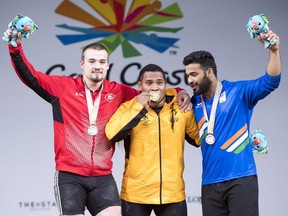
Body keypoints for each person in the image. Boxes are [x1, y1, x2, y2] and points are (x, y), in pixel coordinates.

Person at [3, 28, 192, 216]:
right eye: (92, 61)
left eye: (102, 61)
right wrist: (15, 49)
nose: (97, 66)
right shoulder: (63, 88)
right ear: (82, 63)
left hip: (102, 178)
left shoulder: (119, 92)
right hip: (70, 176)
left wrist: (178, 90)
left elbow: (153, 92)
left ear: (108, 65)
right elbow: (31, 77)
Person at [182, 30, 281, 216]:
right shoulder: (193, 102)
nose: (190, 81)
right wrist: (180, 91)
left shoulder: (239, 92)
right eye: (187, 76)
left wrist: (274, 51)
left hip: (241, 178)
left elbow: (271, 82)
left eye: (194, 74)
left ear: (209, 72)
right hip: (209, 183)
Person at [105, 63, 201, 216]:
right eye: (149, 83)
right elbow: (112, 133)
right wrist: (139, 108)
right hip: (136, 194)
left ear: (165, 84)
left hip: (172, 194)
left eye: (159, 82)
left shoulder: (181, 105)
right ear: (140, 85)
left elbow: (198, 139)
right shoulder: (129, 107)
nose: (155, 87)